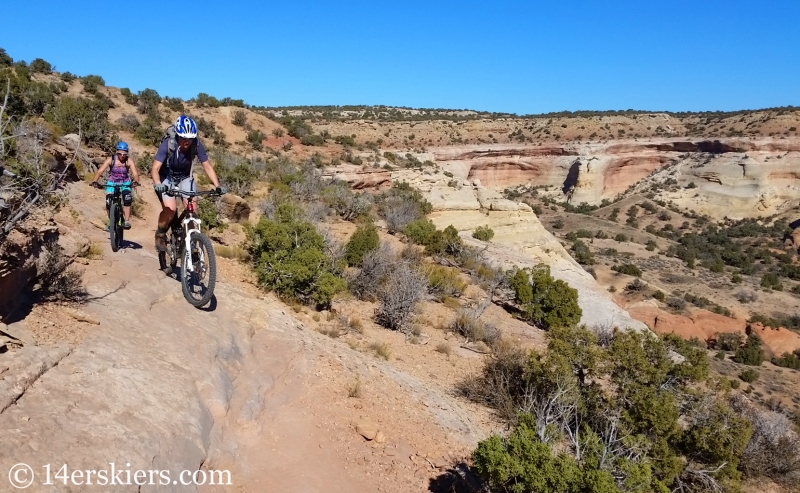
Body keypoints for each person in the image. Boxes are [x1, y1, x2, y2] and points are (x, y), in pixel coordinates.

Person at [151, 115, 225, 251]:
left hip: (185, 177)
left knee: (193, 212)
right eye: (184, 138)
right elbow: (155, 168)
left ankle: (191, 244)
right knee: (171, 209)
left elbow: (207, 165)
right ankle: (160, 233)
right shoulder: (168, 144)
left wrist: (217, 185)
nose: (187, 141)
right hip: (166, 177)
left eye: (190, 138)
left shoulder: (196, 144)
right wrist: (157, 183)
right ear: (178, 135)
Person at [91, 142, 140, 229]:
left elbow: (135, 174)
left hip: (125, 183)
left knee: (127, 198)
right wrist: (95, 181)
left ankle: (127, 220)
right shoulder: (111, 160)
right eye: (120, 153)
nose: (122, 156)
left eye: (124, 154)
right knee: (108, 201)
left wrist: (135, 181)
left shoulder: (129, 161)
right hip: (112, 182)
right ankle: (111, 220)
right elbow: (100, 171)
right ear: (117, 152)